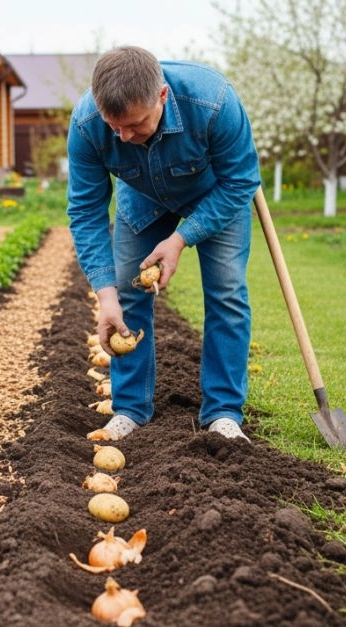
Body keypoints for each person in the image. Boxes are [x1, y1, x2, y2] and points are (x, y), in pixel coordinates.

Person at [65, 45, 261, 442]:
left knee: (226, 294)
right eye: (114, 126)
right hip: (142, 196)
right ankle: (131, 409)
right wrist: (105, 296)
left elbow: (240, 181)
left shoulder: (213, 101)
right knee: (127, 293)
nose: (123, 136)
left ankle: (223, 412)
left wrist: (181, 239)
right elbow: (85, 211)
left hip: (215, 197)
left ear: (162, 96)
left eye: (135, 125)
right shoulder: (87, 124)